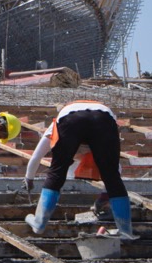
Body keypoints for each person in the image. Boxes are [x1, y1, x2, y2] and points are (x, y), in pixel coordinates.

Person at [24, 100, 133, 238]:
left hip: (70, 119)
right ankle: (126, 232)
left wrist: (29, 178)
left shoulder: (57, 124)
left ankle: (39, 224)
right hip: (104, 118)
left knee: (56, 173)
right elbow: (115, 171)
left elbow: (36, 157)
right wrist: (105, 194)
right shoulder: (102, 124)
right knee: (111, 176)